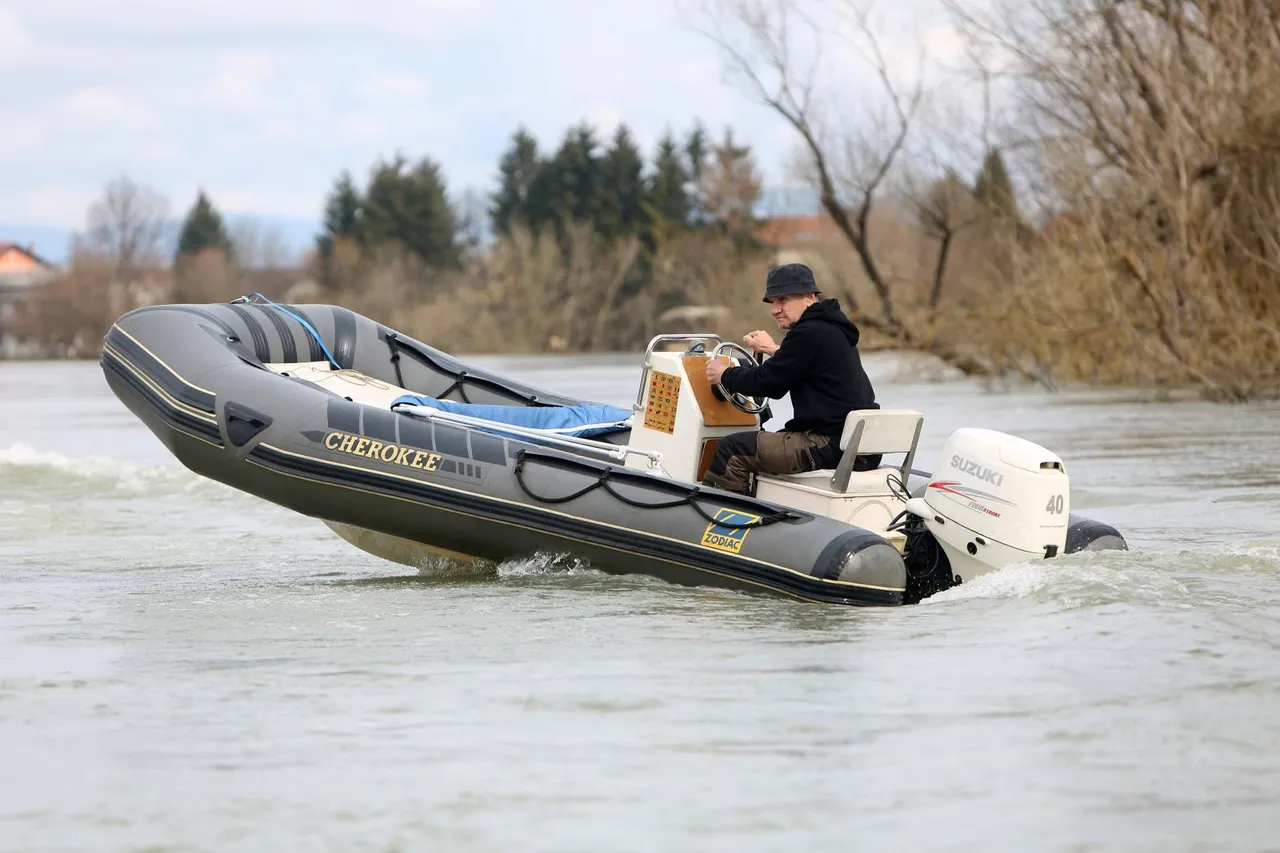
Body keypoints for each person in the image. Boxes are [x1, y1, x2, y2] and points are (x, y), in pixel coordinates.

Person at [701, 262, 880, 495]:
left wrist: (724, 374)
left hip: (827, 444)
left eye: (783, 299)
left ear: (808, 297)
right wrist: (774, 350)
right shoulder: (832, 328)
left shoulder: (807, 333)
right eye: (772, 302)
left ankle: (724, 523)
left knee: (732, 448)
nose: (775, 309)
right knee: (765, 442)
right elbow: (805, 365)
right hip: (861, 449)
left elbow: (767, 384)